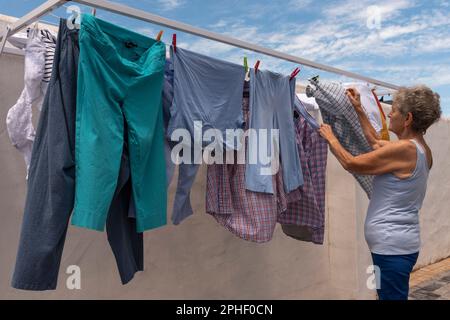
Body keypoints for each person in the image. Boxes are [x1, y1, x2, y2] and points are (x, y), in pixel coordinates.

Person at [318, 85, 441, 300]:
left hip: (391, 246)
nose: (389, 114)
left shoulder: (406, 149)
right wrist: (358, 108)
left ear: (408, 118)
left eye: (393, 110)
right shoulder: (420, 149)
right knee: (386, 294)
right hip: (395, 245)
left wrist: (331, 137)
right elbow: (375, 143)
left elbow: (351, 163)